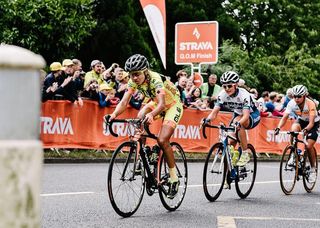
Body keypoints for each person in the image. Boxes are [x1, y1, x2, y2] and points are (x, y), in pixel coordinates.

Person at [108, 54, 183, 198]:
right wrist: (113, 115)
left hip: (172, 104)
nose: (134, 78)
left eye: (137, 74)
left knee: (162, 140)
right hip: (156, 103)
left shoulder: (155, 79)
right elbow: (124, 102)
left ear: (145, 71)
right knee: (139, 117)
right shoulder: (132, 82)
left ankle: (174, 178)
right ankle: (142, 157)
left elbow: (162, 105)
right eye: (131, 75)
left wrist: (152, 115)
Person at [204, 71, 261, 168]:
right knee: (230, 143)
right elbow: (214, 112)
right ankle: (228, 176)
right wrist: (207, 120)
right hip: (238, 114)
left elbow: (245, 116)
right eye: (224, 86)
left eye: (229, 86)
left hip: (252, 114)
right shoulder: (222, 94)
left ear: (236, 85)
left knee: (238, 123)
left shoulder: (244, 95)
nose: (226, 89)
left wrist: (238, 123)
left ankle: (245, 153)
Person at [274, 85, 319, 183]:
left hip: (313, 123)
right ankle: (293, 154)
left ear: (304, 96)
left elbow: (311, 123)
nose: (297, 99)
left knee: (308, 146)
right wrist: (278, 127)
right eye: (295, 96)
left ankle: (312, 169)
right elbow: (285, 117)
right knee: (293, 129)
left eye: (299, 96)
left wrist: (306, 130)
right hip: (301, 120)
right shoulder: (291, 103)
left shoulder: (310, 104)